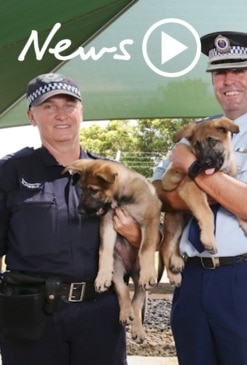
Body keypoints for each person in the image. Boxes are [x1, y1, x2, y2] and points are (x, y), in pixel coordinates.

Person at [151, 31, 247, 365]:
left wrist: (194, 172)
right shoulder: (196, 131)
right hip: (191, 278)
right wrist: (223, 190)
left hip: (245, 278)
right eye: (220, 72)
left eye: (239, 71)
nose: (228, 80)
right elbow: (158, 195)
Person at [0, 73, 142, 364]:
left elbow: (149, 239)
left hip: (100, 314)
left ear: (81, 111)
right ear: (32, 116)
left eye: (69, 105)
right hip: (31, 317)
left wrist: (135, 235)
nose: (61, 115)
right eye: (48, 107)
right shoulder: (11, 172)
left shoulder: (114, 173)